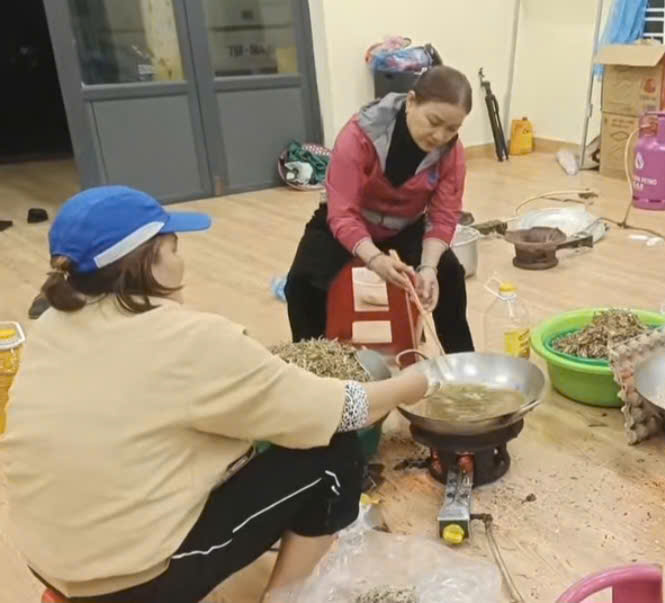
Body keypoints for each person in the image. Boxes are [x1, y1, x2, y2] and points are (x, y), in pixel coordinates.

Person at [0, 186, 439, 603]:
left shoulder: (51, 326)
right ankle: (282, 597)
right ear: (148, 263)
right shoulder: (189, 340)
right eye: (173, 249)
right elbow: (338, 410)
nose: (181, 262)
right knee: (334, 453)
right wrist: (419, 381)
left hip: (46, 557)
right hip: (129, 582)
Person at [286, 65, 475, 352]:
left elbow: (443, 215)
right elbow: (342, 213)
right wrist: (374, 259)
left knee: (449, 275)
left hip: (405, 225)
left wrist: (428, 268)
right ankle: (313, 369)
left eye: (452, 128)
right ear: (411, 101)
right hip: (348, 222)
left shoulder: (451, 152)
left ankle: (463, 366)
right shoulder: (359, 135)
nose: (440, 136)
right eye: (434, 121)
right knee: (301, 283)